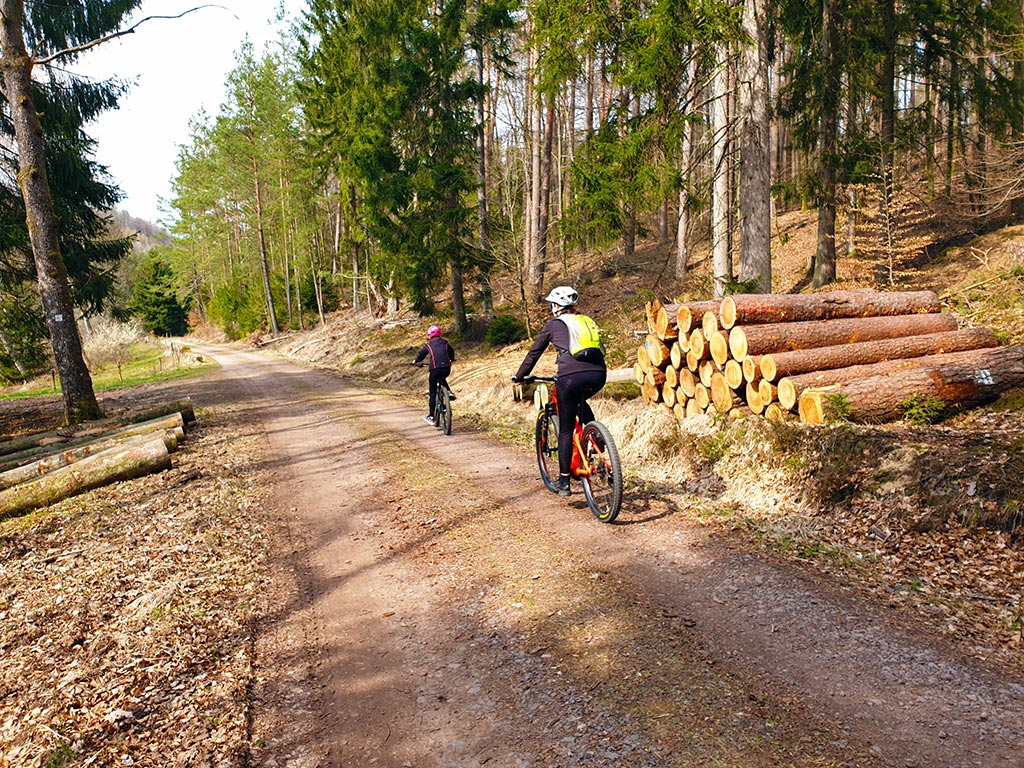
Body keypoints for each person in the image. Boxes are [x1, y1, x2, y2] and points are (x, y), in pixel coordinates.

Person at [511, 286, 606, 496]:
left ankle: (564, 481)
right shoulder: (586, 321)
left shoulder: (554, 324)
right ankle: (596, 433)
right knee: (580, 401)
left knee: (565, 429)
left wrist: (519, 376)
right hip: (599, 374)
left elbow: (534, 353)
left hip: (570, 377)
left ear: (556, 307)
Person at [413, 325, 456, 424]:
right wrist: (451, 359)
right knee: (441, 377)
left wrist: (415, 361)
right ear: (440, 334)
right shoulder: (445, 343)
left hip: (434, 369)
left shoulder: (428, 345)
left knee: (432, 392)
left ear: (429, 335)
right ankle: (448, 391)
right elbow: (451, 351)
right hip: (446, 368)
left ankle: (431, 416)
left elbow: (421, 355)